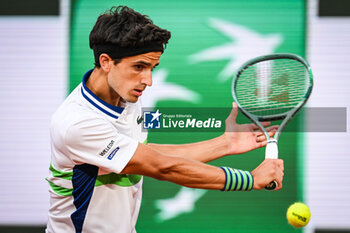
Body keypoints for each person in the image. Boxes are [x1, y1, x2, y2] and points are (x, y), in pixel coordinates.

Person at [46, 5, 284, 233]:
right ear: (106, 61)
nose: (148, 80)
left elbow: (147, 155)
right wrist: (249, 179)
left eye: (152, 68)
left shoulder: (129, 98)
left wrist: (225, 144)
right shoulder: (77, 123)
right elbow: (162, 167)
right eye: (139, 66)